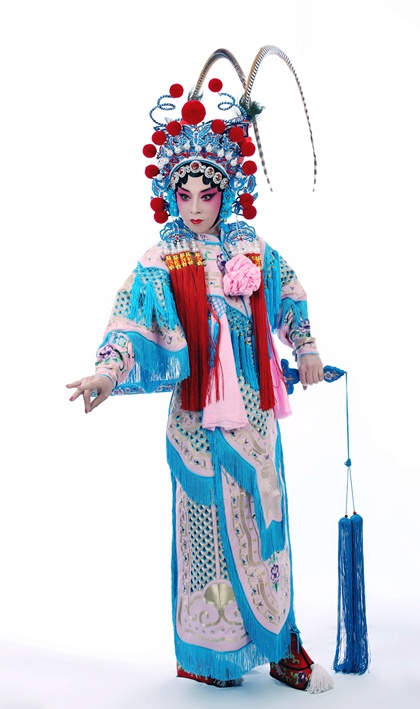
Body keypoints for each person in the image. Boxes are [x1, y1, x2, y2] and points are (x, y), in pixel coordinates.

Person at [67, 47, 333, 693]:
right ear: (169, 195)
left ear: (226, 193)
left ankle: (281, 643)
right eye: (183, 195)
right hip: (195, 421)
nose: (194, 206)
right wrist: (107, 373)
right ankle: (214, 650)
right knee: (205, 530)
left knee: (265, 524)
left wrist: (305, 348)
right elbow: (131, 321)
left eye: (206, 194)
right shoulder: (161, 259)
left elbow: (290, 296)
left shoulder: (251, 247)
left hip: (255, 416)